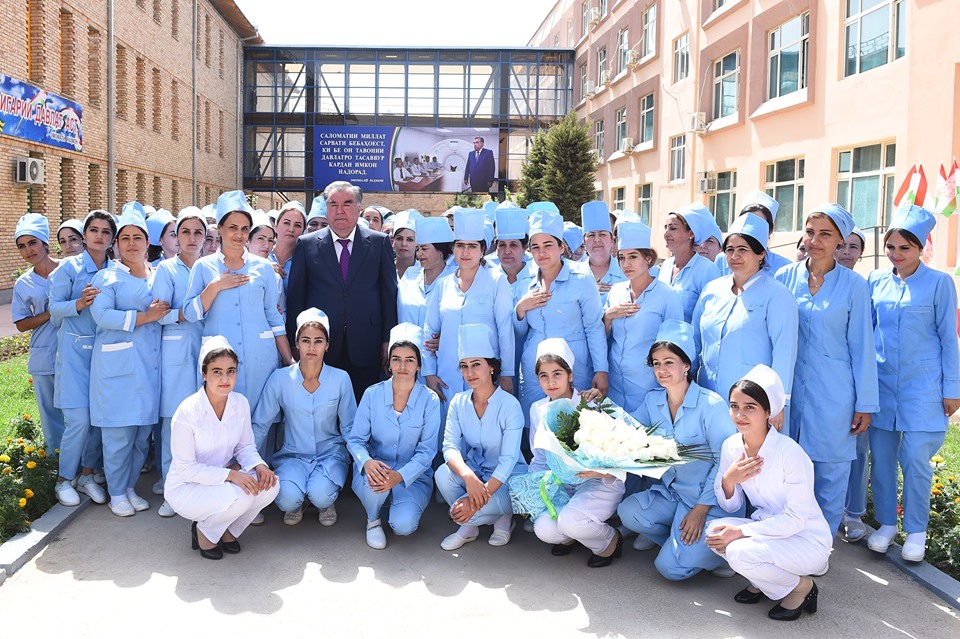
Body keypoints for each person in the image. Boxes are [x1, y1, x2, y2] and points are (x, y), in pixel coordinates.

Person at [774, 204, 878, 536]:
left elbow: (863, 347)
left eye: (825, 234)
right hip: (789, 391)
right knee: (786, 470)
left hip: (835, 393)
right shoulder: (783, 278)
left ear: (840, 241)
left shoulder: (854, 286)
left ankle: (822, 545)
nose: (815, 241)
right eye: (810, 232)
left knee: (831, 473)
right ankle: (789, 540)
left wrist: (865, 403)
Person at [866, 204, 960, 562]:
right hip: (883, 386)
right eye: (891, 247)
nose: (896, 254)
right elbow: (867, 333)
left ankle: (917, 531)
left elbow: (949, 338)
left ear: (921, 248)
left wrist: (953, 388)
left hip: (924, 387)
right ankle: (887, 524)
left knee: (916, 459)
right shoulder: (876, 281)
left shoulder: (939, 283)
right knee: (882, 459)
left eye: (905, 247)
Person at [706, 365, 830, 621]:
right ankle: (764, 581)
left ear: (767, 411)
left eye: (749, 407)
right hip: (767, 530)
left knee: (738, 551)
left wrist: (741, 532)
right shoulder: (731, 446)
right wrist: (729, 480)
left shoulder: (790, 453)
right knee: (715, 533)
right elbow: (731, 506)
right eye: (734, 406)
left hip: (805, 539)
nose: (739, 414)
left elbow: (796, 519)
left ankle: (801, 587)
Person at [619, 320, 739, 579]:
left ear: (686, 365)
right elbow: (626, 430)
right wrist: (596, 410)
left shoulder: (711, 405)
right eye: (656, 363)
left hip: (708, 502)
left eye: (669, 362)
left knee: (670, 570)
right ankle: (681, 544)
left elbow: (725, 461)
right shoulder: (653, 400)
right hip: (674, 495)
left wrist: (700, 510)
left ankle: (720, 554)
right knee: (628, 512)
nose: (661, 370)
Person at [165, 336, 280, 560]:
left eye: (231, 371)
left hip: (225, 480)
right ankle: (205, 532)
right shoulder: (187, 412)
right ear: (204, 373)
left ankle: (227, 531)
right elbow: (186, 469)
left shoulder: (240, 403)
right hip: (188, 486)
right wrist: (231, 476)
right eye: (217, 371)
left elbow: (245, 447)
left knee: (271, 485)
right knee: (242, 496)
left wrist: (259, 466)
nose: (225, 379)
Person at [89, 202, 169, 517]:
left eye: (138, 237)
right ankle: (116, 492)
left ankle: (130, 487)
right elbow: (102, 315)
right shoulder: (106, 278)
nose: (132, 244)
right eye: (125, 238)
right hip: (118, 370)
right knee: (118, 436)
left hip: (149, 368)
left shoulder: (157, 276)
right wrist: (145, 317)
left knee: (140, 437)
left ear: (148, 242)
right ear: (117, 244)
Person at [183, 190, 294, 415]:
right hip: (220, 360)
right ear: (220, 229)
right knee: (220, 419)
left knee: (261, 419)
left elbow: (273, 316)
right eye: (233, 227)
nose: (239, 234)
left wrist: (288, 359)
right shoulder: (203, 267)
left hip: (259, 357)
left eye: (245, 229)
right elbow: (189, 313)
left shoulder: (263, 267)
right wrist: (215, 286)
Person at [286, 181, 398, 402]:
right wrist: (295, 342)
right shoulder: (306, 245)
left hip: (367, 344)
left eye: (347, 203)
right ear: (326, 208)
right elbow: (296, 298)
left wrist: (388, 339)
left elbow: (388, 295)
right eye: (333, 204)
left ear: (358, 208)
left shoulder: (379, 243)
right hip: (321, 347)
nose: (339, 210)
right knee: (324, 408)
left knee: (364, 407)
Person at [692, 213, 798, 431]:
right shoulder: (712, 290)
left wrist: (779, 403)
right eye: (730, 249)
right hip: (707, 396)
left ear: (761, 253)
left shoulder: (777, 295)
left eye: (743, 249)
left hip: (754, 402)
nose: (735, 256)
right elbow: (696, 339)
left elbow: (784, 352)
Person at [252, 308, 357, 527]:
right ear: (296, 344)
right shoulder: (280, 379)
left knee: (321, 495)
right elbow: (261, 424)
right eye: (306, 340)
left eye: (318, 341)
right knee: (287, 501)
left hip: (330, 455)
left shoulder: (340, 379)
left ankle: (324, 502)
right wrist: (248, 462)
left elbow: (350, 428)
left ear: (327, 345)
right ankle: (298, 499)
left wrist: (364, 461)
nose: (311, 347)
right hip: (293, 456)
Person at [527, 339, 622, 567]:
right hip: (562, 483)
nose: (551, 382)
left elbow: (620, 452)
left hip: (599, 481)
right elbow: (539, 456)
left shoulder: (592, 403)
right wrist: (532, 492)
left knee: (571, 521)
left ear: (570, 375)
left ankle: (609, 542)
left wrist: (601, 471)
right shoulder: (537, 409)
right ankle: (574, 535)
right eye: (544, 376)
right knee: (544, 529)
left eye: (557, 374)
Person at [346, 323, 441, 549]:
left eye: (410, 360)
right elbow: (356, 440)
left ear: (419, 365)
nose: (402, 366)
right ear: (388, 363)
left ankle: (396, 502)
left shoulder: (430, 400)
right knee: (376, 485)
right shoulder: (372, 394)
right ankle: (373, 520)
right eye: (396, 359)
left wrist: (400, 476)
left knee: (403, 526)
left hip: (412, 475)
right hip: (376, 468)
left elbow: (427, 451)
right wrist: (367, 462)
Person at [435, 324, 525, 550]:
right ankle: (471, 528)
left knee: (465, 511)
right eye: (464, 366)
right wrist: (469, 478)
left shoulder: (510, 405)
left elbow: (508, 460)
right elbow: (450, 447)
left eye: (476, 364)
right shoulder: (458, 402)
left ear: (491, 367)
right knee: (442, 474)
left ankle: (502, 519)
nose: (469, 373)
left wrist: (479, 493)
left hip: (508, 479)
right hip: (476, 472)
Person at [49, 209, 116, 507]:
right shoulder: (69, 268)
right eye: (94, 230)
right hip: (76, 353)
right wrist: (78, 302)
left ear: (112, 239)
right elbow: (53, 309)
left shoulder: (116, 270)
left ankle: (87, 474)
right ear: (85, 235)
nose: (99, 236)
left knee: (99, 419)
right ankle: (63, 479)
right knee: (79, 419)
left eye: (106, 231)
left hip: (105, 354)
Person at [515, 209, 608, 423]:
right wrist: (520, 309)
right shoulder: (526, 283)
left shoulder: (581, 279)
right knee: (537, 425)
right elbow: (520, 333)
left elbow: (594, 327)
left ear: (561, 247)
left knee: (576, 427)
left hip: (574, 367)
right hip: (535, 370)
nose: (541, 253)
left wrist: (601, 369)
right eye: (535, 247)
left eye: (548, 245)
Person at [424, 209, 516, 409]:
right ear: (453, 248)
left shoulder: (496, 281)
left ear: (482, 250)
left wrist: (507, 373)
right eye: (460, 246)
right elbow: (429, 331)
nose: (465, 252)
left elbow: (505, 330)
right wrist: (429, 373)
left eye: (472, 246)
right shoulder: (443, 285)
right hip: (447, 376)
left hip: (486, 377)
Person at [152, 207, 208, 518]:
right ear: (175, 236)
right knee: (173, 422)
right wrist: (187, 313)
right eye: (184, 232)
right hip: (175, 351)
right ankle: (171, 491)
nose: (191, 238)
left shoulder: (210, 267)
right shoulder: (166, 270)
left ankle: (198, 485)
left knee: (203, 421)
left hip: (206, 348)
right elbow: (159, 314)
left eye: (198, 232)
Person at [604, 221, 683, 415]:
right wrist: (608, 316)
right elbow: (603, 336)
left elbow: (676, 346)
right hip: (615, 386)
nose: (626, 264)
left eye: (633, 256)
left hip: (649, 387)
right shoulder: (616, 292)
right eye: (621, 258)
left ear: (648, 258)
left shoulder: (667, 296)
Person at [13, 213, 64, 452]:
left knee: (79, 411)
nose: (28, 250)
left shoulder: (67, 269)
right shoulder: (23, 284)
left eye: (32, 242)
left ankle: (87, 463)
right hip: (44, 352)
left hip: (74, 349)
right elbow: (21, 324)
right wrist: (50, 313)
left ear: (44, 242)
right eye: (22, 246)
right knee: (50, 413)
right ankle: (57, 461)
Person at [657, 206, 721, 323]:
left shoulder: (707, 270)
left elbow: (711, 318)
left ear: (691, 234)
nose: (666, 234)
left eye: (673, 228)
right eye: (665, 228)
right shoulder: (666, 266)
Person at [397, 217, 456, 327]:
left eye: (424, 249)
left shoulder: (454, 279)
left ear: (440, 251)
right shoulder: (410, 275)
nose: (419, 254)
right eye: (417, 249)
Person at [715, 192, 792, 275]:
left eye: (759, 224)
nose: (751, 230)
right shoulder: (721, 260)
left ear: (770, 230)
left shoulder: (785, 267)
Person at [579, 201, 626, 305]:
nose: (597, 240)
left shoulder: (626, 272)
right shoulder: (574, 274)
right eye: (591, 235)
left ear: (612, 240)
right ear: (584, 241)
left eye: (602, 234)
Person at [271, 200, 306, 287]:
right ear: (275, 226)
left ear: (303, 231)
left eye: (297, 225)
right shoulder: (262, 255)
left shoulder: (305, 262)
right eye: (286, 223)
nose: (291, 229)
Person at [390, 209, 422, 280]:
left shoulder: (424, 272)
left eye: (410, 239)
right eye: (399, 238)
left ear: (417, 244)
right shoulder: (385, 269)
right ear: (393, 240)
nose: (404, 244)